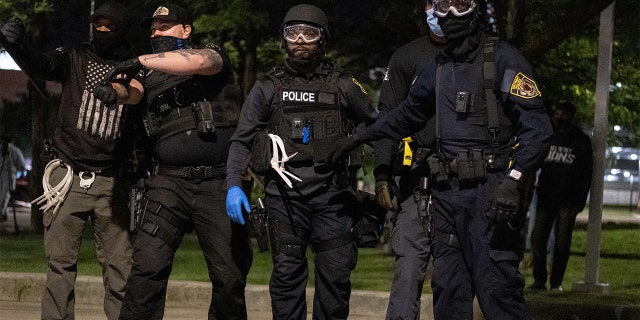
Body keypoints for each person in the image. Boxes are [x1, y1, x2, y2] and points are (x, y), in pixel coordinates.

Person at [325, 0, 553, 319]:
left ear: (475, 9)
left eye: (459, 5)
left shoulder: (502, 58)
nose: (449, 15)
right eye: (442, 5)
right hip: (446, 196)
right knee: (448, 291)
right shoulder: (442, 64)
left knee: (497, 292)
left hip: (490, 195)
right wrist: (360, 137)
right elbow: (408, 112)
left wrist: (513, 183)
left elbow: (538, 129)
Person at [93, 3, 253, 319]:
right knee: (147, 269)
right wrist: (114, 91)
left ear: (186, 30)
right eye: (152, 29)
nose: (156, 33)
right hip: (168, 185)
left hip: (217, 185)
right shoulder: (148, 74)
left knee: (229, 277)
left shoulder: (211, 57)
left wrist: (139, 58)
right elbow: (132, 90)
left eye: (164, 27)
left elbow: (198, 60)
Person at [225, 4, 377, 319]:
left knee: (335, 283)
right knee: (285, 281)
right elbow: (241, 139)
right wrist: (233, 186)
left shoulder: (343, 84)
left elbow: (377, 125)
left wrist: (352, 143)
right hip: (284, 199)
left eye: (309, 33)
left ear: (322, 39)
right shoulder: (269, 85)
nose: (301, 40)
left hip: (334, 199)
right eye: (293, 33)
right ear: (284, 38)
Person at [1, 2, 138, 319]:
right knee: (59, 266)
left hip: (113, 181)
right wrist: (17, 44)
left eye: (110, 26)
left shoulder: (136, 67)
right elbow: (41, 66)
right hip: (67, 177)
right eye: (98, 25)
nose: (102, 31)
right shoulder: (75, 56)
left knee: (121, 269)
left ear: (122, 29)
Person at [372, 1, 446, 318]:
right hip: (418, 179)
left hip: (470, 182)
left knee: (454, 273)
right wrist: (382, 173)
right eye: (432, 2)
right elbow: (388, 118)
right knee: (409, 268)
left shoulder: (485, 56)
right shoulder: (407, 56)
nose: (439, 10)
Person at [529, 102, 593, 291]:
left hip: (568, 200)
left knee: (562, 243)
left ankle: (556, 282)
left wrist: (579, 203)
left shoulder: (580, 140)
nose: (559, 118)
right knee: (537, 239)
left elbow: (586, 174)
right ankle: (539, 281)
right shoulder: (548, 136)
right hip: (546, 197)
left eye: (563, 115)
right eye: (557, 114)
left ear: (571, 117)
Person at [0, 135, 26, 222]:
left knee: (4, 195)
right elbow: (22, 165)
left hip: (7, 173)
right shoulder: (15, 150)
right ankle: (2, 213)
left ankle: (2, 213)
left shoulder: (6, 149)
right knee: (5, 195)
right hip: (10, 174)